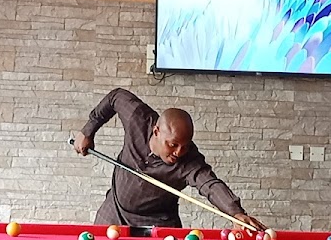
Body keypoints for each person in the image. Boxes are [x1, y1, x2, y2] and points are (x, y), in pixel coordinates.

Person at [73, 88, 265, 232]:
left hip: (157, 224)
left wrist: (235, 213)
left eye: (185, 146)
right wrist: (88, 131)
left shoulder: (189, 161)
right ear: (156, 131)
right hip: (114, 210)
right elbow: (116, 96)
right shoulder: (138, 119)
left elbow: (210, 184)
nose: (179, 152)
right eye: (173, 145)